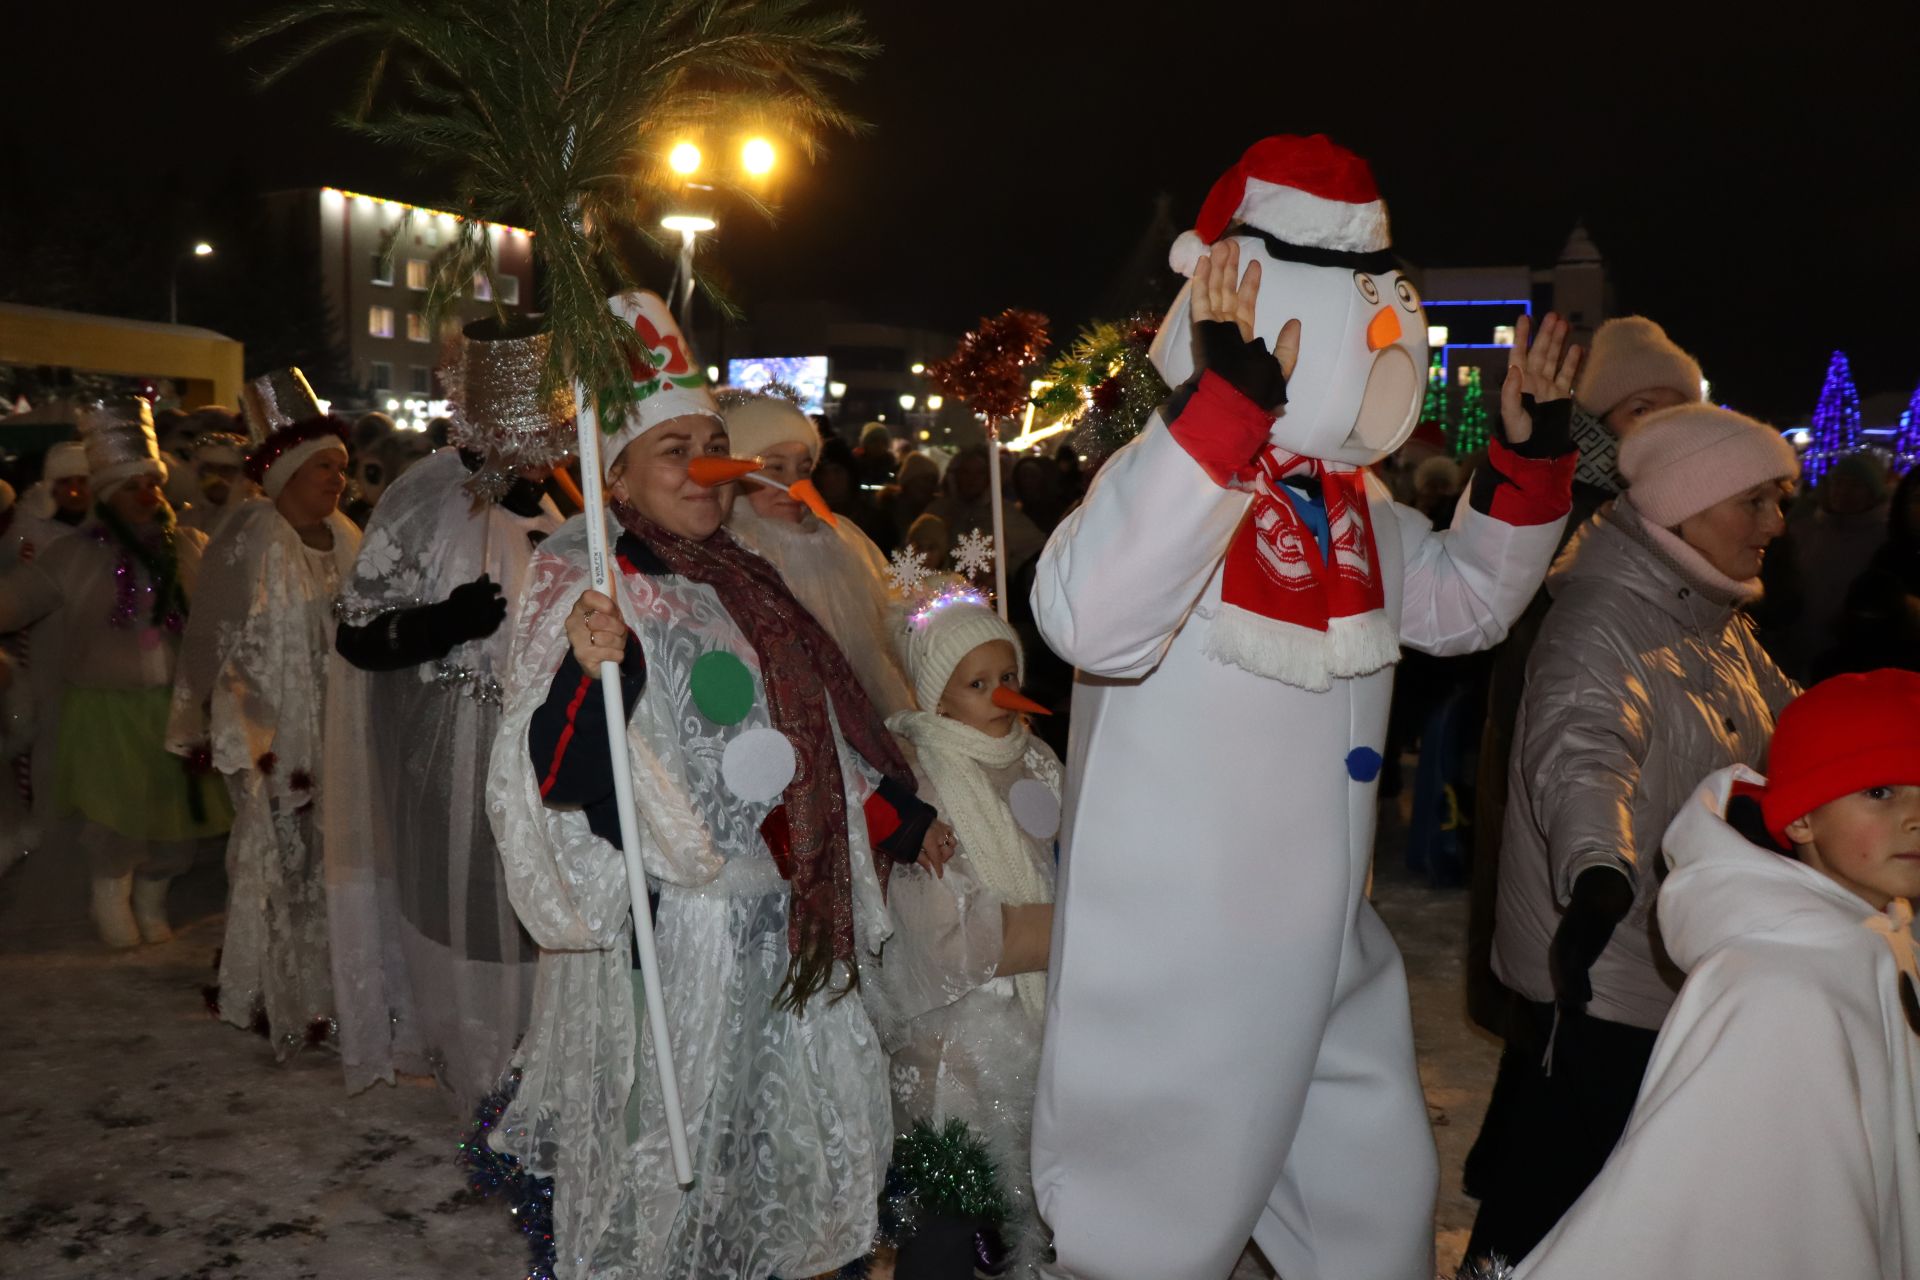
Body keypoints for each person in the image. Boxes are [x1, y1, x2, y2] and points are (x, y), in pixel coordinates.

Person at [1029, 135, 1581, 1280]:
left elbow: (1464, 604)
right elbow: (1092, 620)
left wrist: (1525, 465)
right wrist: (1223, 411)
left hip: (1330, 928)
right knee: (1155, 1215)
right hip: (1190, 937)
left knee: (1373, 1199)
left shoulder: (1353, 503)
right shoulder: (1165, 469)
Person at [485, 293, 950, 1280]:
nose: (704, 467)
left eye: (711, 443)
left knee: (777, 1149)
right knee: (677, 1144)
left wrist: (890, 812)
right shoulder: (585, 575)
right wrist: (584, 669)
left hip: (782, 915)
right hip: (677, 933)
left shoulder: (737, 571)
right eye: (673, 449)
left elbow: (803, 730)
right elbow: (557, 773)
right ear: (616, 473)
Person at [1470, 404, 1802, 1263]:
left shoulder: (1714, 621)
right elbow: (1582, 754)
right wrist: (1598, 872)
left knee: (1624, 1198)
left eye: (1781, 500)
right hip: (1601, 971)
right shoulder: (1601, 624)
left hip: (1674, 955)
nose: (1775, 523)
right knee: (1554, 1198)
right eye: (1755, 500)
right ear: (1686, 507)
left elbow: (1800, 729)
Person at [1489, 670, 1920, 1280]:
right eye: (1880, 791)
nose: (1915, 817)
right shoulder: (1774, 985)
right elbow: (1701, 1203)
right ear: (1801, 820)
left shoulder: (1884, 937)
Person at [325, 318, 573, 1110]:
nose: (546, 453)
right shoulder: (425, 495)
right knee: (473, 911)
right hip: (454, 755)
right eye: (529, 434)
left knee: (542, 912)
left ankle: (542, 1073)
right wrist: (445, 622)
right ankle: (479, 1076)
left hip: (550, 755)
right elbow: (359, 635)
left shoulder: (565, 507)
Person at [1466, 316, 1703, 1031]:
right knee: (1550, 892)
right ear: (1599, 421)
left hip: (1662, 742)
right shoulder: (1561, 496)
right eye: (1640, 408)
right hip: (1559, 725)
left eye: (1676, 405)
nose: (1661, 424)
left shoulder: (1693, 509)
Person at [168, 368, 362, 1054]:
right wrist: (210, 722)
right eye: (322, 468)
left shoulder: (346, 538)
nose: (337, 479)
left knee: (331, 860)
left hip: (335, 730)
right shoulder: (252, 534)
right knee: (276, 858)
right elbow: (212, 636)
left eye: (341, 466)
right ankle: (273, 989)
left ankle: (333, 991)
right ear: (284, 473)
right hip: (272, 733)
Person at [874, 592, 1060, 1279]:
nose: (1000, 697)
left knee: (1032, 1213)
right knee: (955, 1204)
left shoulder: (1038, 760)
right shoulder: (923, 781)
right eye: (977, 685)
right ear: (939, 700)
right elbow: (942, 933)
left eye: (1008, 678)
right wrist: (1073, 931)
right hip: (961, 1041)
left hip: (1046, 1011)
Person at [0, 398, 233, 946]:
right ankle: (112, 902)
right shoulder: (73, 556)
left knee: (173, 817)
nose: (147, 494)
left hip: (170, 708)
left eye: (151, 482)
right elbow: (15, 602)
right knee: (115, 818)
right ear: (107, 492)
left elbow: (222, 613)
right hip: (103, 708)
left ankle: (152, 900)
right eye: (132, 485)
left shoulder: (188, 549)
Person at [720, 389, 916, 716]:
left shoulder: (839, 544)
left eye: (803, 469)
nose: (795, 485)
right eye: (775, 468)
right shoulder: (727, 552)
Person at [926, 445, 1043, 579]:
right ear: (956, 475)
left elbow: (1034, 550)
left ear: (988, 477)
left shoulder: (1002, 512)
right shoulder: (939, 510)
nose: (972, 479)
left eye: (979, 473)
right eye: (966, 472)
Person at [176, 418, 255, 539]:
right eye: (208, 469)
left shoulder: (255, 518)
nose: (216, 476)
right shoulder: (185, 520)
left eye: (226, 470)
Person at [885, 449, 942, 537]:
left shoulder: (935, 511)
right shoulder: (886, 512)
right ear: (909, 480)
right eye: (925, 479)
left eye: (933, 481)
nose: (929, 485)